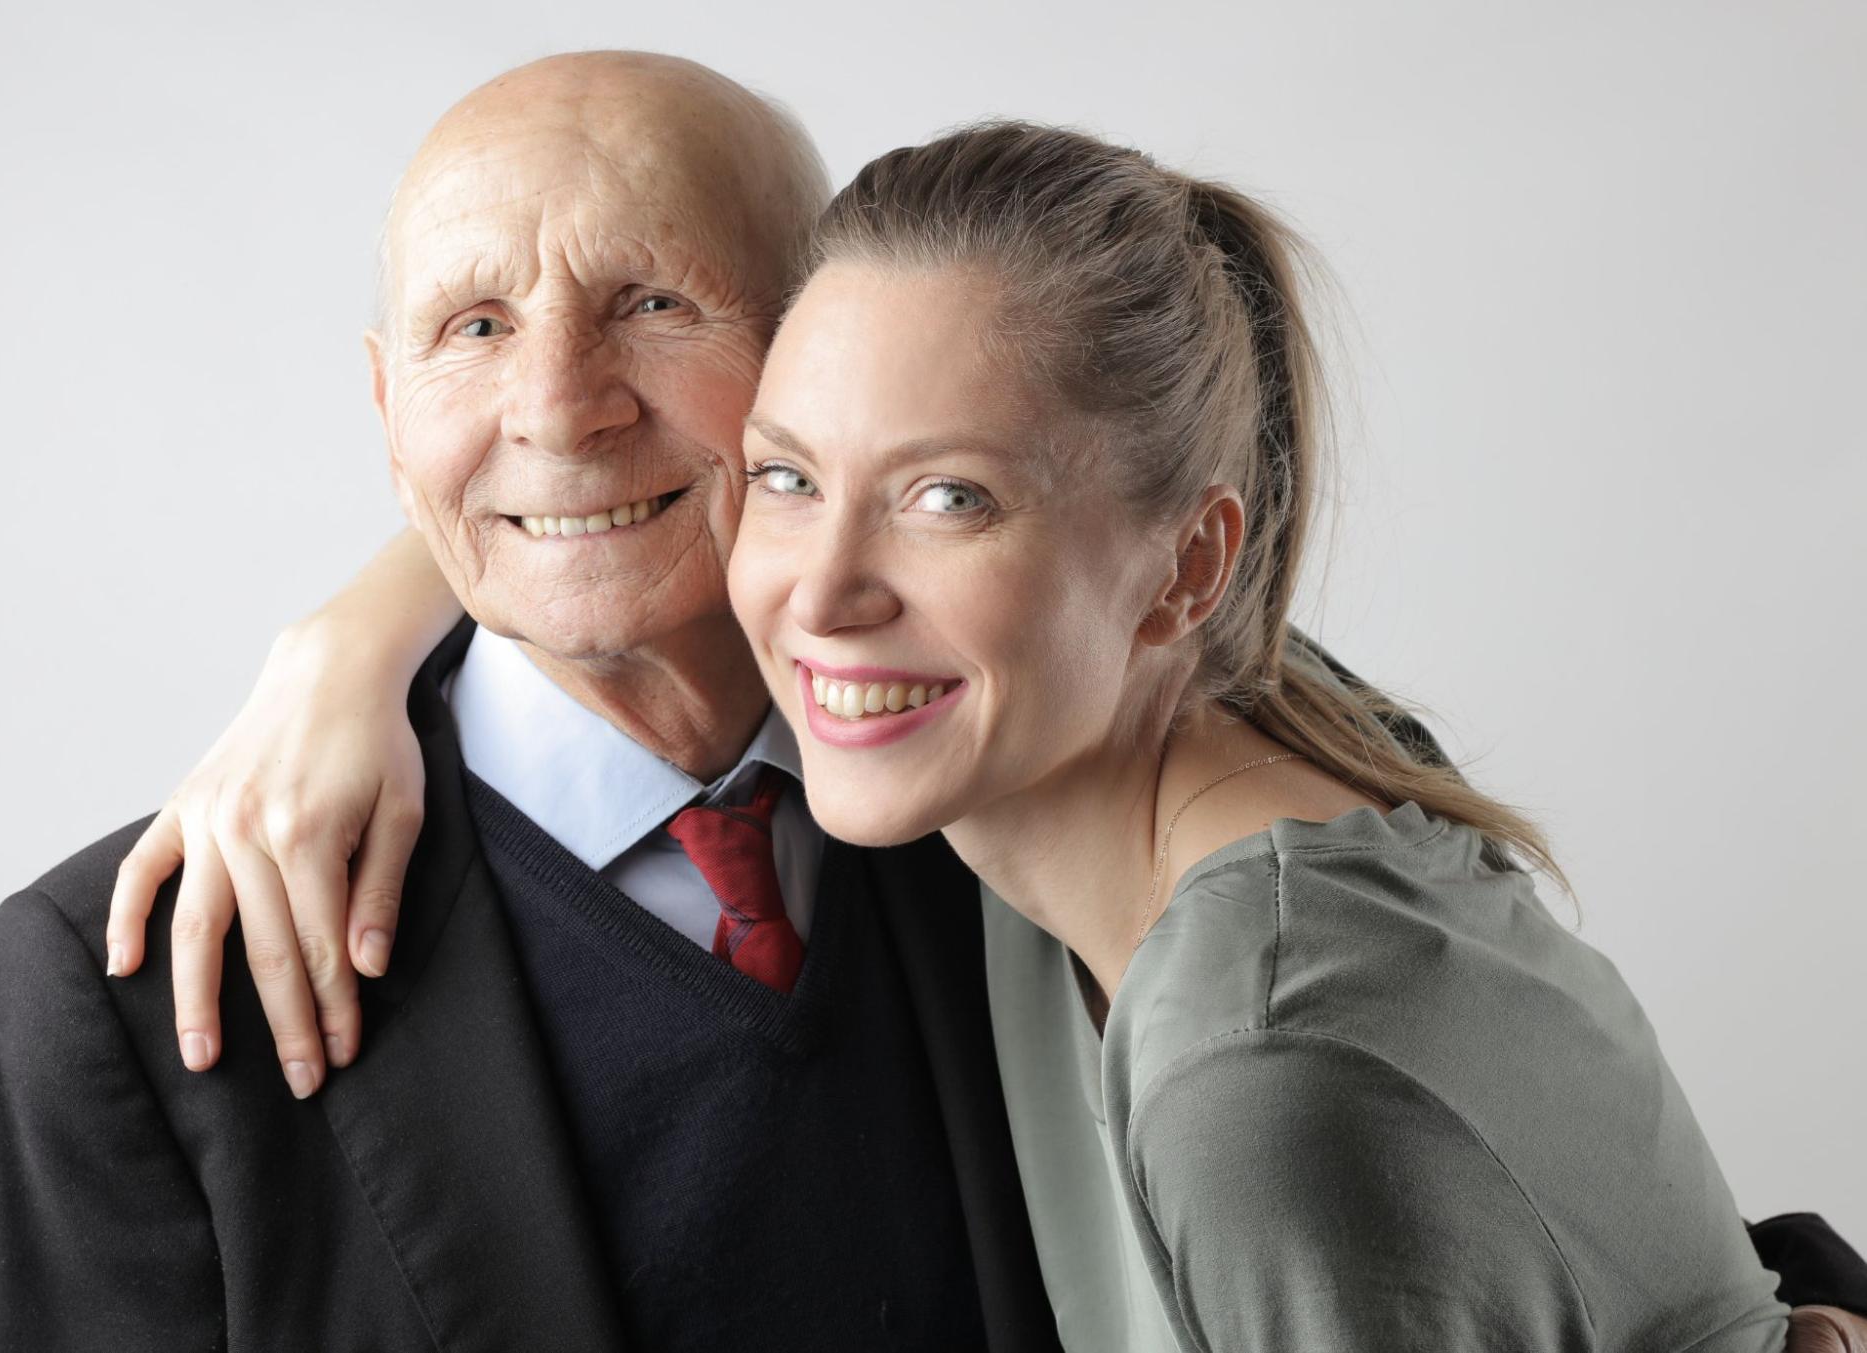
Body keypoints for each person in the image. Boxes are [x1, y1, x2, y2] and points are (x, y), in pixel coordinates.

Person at [92, 101, 1867, 1353]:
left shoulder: (1221, 1000)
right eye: (792, 478)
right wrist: (344, 642)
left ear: (1187, 564)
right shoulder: (1157, 730)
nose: (826, 586)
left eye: (948, 498)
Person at [0, 53, 1055, 1352]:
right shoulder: (124, 984)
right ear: (387, 407)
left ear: (811, 356)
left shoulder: (1025, 789)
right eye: (474, 327)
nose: (557, 410)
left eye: (652, 300)